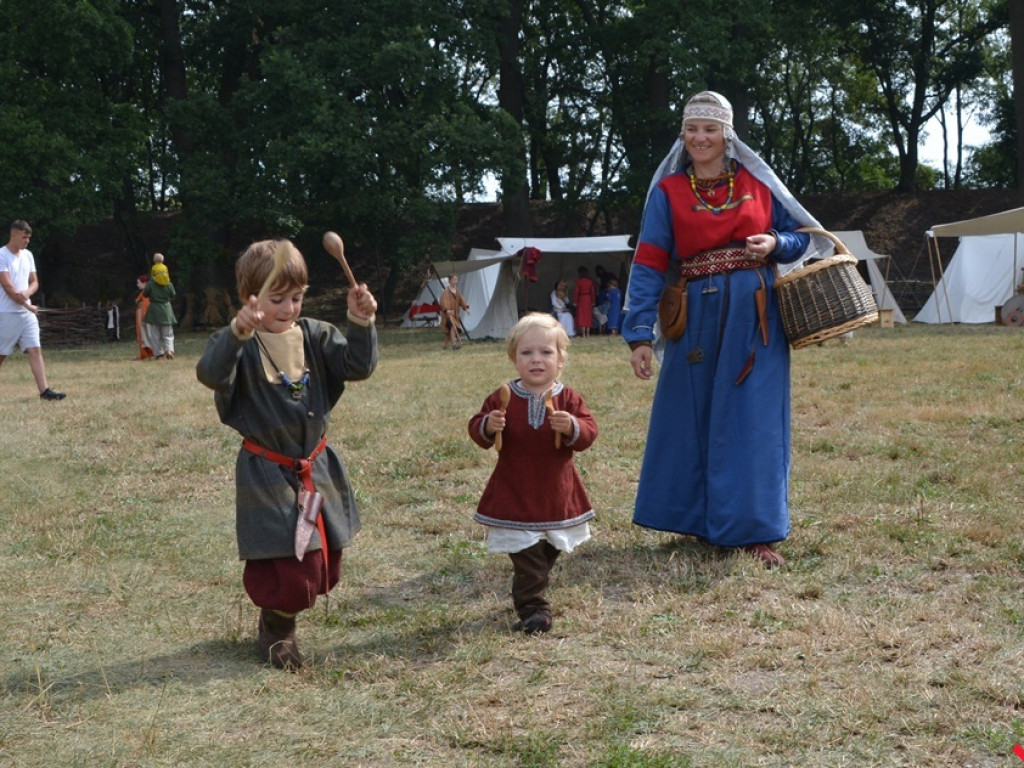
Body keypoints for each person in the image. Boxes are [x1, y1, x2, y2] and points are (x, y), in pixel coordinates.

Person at [621, 91, 829, 568]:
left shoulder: (757, 183)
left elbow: (804, 236)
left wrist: (775, 242)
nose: (700, 138)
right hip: (693, 313)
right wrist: (638, 334)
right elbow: (650, 261)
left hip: (754, 313)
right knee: (689, 414)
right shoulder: (668, 192)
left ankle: (752, 530)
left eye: (710, 130)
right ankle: (695, 519)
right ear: (683, 134)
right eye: (692, 129)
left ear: (726, 135)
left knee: (752, 417)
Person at [196, 239, 378, 669]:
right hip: (267, 472)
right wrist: (238, 332)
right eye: (277, 300)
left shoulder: (315, 335)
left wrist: (360, 319)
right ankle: (277, 629)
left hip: (315, 467)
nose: (289, 308)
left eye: (296, 298)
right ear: (249, 299)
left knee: (323, 568)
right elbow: (210, 373)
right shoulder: (238, 344)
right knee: (292, 571)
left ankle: (282, 616)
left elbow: (358, 366)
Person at [468, 313, 597, 634]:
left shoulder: (568, 398)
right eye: (527, 353)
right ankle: (534, 609)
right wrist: (488, 425)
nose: (536, 360)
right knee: (527, 558)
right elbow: (477, 426)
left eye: (546, 352)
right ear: (514, 359)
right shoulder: (503, 397)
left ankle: (535, 587)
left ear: (561, 359)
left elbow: (589, 432)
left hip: (557, 495)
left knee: (548, 550)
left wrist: (572, 426)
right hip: (516, 493)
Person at [0, 220, 65, 400]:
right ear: (13, 235)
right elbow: (7, 287)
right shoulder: (1, 255)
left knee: (35, 348)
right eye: (24, 237)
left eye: (29, 237)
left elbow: (34, 281)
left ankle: (45, 391)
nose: (27, 241)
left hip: (26, 314)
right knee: (1, 354)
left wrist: (27, 294)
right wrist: (27, 305)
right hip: (6, 313)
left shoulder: (28, 255)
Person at [144, 253, 177, 360]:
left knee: (155, 334)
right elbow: (173, 294)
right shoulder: (168, 283)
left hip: (154, 309)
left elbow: (145, 294)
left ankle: (159, 355)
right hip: (166, 309)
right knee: (168, 333)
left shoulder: (151, 283)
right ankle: (169, 350)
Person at [439, 273, 469, 350]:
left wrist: (466, 308)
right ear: (450, 280)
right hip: (448, 315)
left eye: (456, 280)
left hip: (455, 315)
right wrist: (447, 310)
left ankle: (444, 346)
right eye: (454, 279)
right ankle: (454, 345)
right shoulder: (446, 291)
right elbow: (444, 301)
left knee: (450, 333)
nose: (456, 281)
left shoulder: (457, 291)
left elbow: (461, 300)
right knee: (453, 327)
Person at [134, 275, 155, 360]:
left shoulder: (146, 293)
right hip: (142, 316)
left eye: (139, 283)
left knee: (148, 335)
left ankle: (153, 352)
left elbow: (146, 305)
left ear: (144, 283)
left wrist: (145, 317)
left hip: (144, 317)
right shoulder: (143, 292)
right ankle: (147, 353)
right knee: (144, 336)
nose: (137, 284)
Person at [572, 266, 596, 338]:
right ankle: (588, 333)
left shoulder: (579, 281)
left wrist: (575, 301)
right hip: (588, 299)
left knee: (582, 315)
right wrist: (593, 301)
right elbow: (593, 292)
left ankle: (583, 334)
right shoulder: (590, 281)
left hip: (581, 299)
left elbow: (576, 292)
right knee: (588, 315)